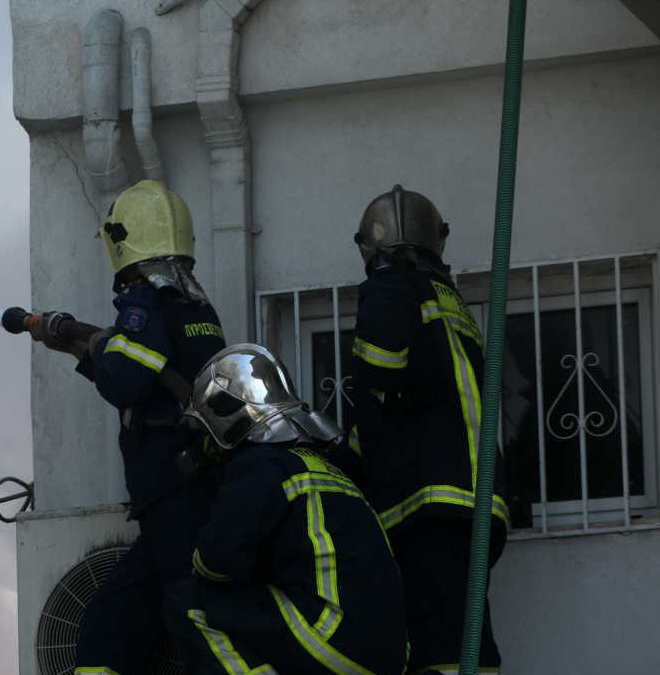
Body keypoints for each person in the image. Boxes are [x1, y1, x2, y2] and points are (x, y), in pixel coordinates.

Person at [30, 179, 226, 675]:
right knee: (109, 628)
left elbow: (128, 379)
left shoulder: (146, 300)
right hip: (186, 496)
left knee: (194, 629)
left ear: (123, 241)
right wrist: (79, 344)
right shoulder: (196, 307)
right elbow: (152, 371)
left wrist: (93, 344)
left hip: (175, 496)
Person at [346, 185, 510, 675]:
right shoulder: (451, 304)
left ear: (369, 247)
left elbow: (379, 372)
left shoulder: (390, 288)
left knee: (434, 644)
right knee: (469, 636)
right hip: (475, 499)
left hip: (424, 501)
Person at [182, 344, 408, 675]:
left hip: (335, 639)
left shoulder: (261, 466)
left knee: (193, 601)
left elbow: (217, 562)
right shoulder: (328, 466)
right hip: (391, 655)